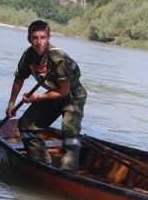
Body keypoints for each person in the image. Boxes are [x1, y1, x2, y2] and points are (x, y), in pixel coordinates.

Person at [6, 20, 87, 173]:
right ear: (29, 39)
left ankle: (67, 172)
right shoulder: (28, 55)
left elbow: (63, 92)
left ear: (49, 38)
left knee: (69, 132)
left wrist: (35, 97)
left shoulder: (57, 57)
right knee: (25, 125)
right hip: (52, 94)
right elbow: (19, 79)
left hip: (72, 96)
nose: (39, 42)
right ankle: (42, 164)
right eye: (35, 38)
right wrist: (11, 104)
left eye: (43, 37)